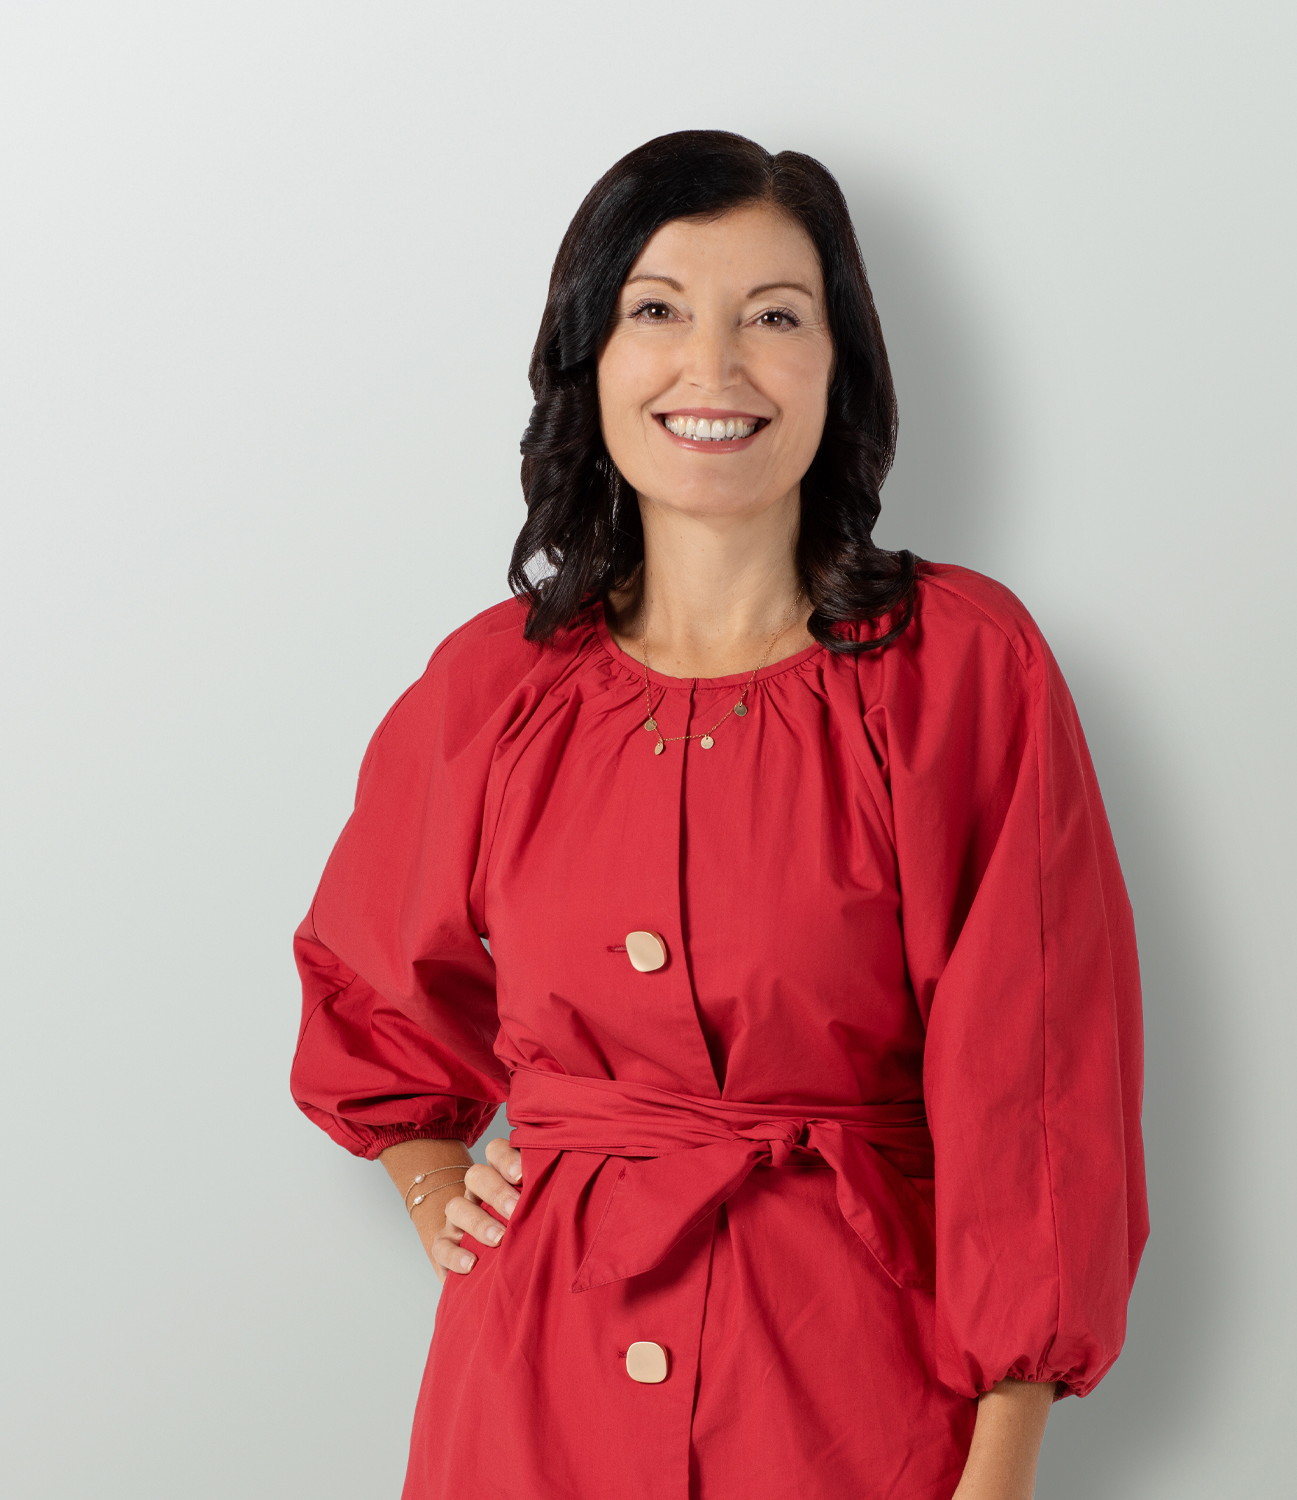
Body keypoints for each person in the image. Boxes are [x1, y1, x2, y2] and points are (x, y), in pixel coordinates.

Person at [288, 130, 1148, 1500]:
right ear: (591, 357)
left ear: (840, 363)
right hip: (531, 1401)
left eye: (774, 317)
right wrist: (433, 1178)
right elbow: (372, 990)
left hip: (851, 1403)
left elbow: (1038, 1094)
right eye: (658, 311)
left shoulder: (961, 672)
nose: (714, 366)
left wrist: (1000, 1468)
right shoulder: (493, 688)